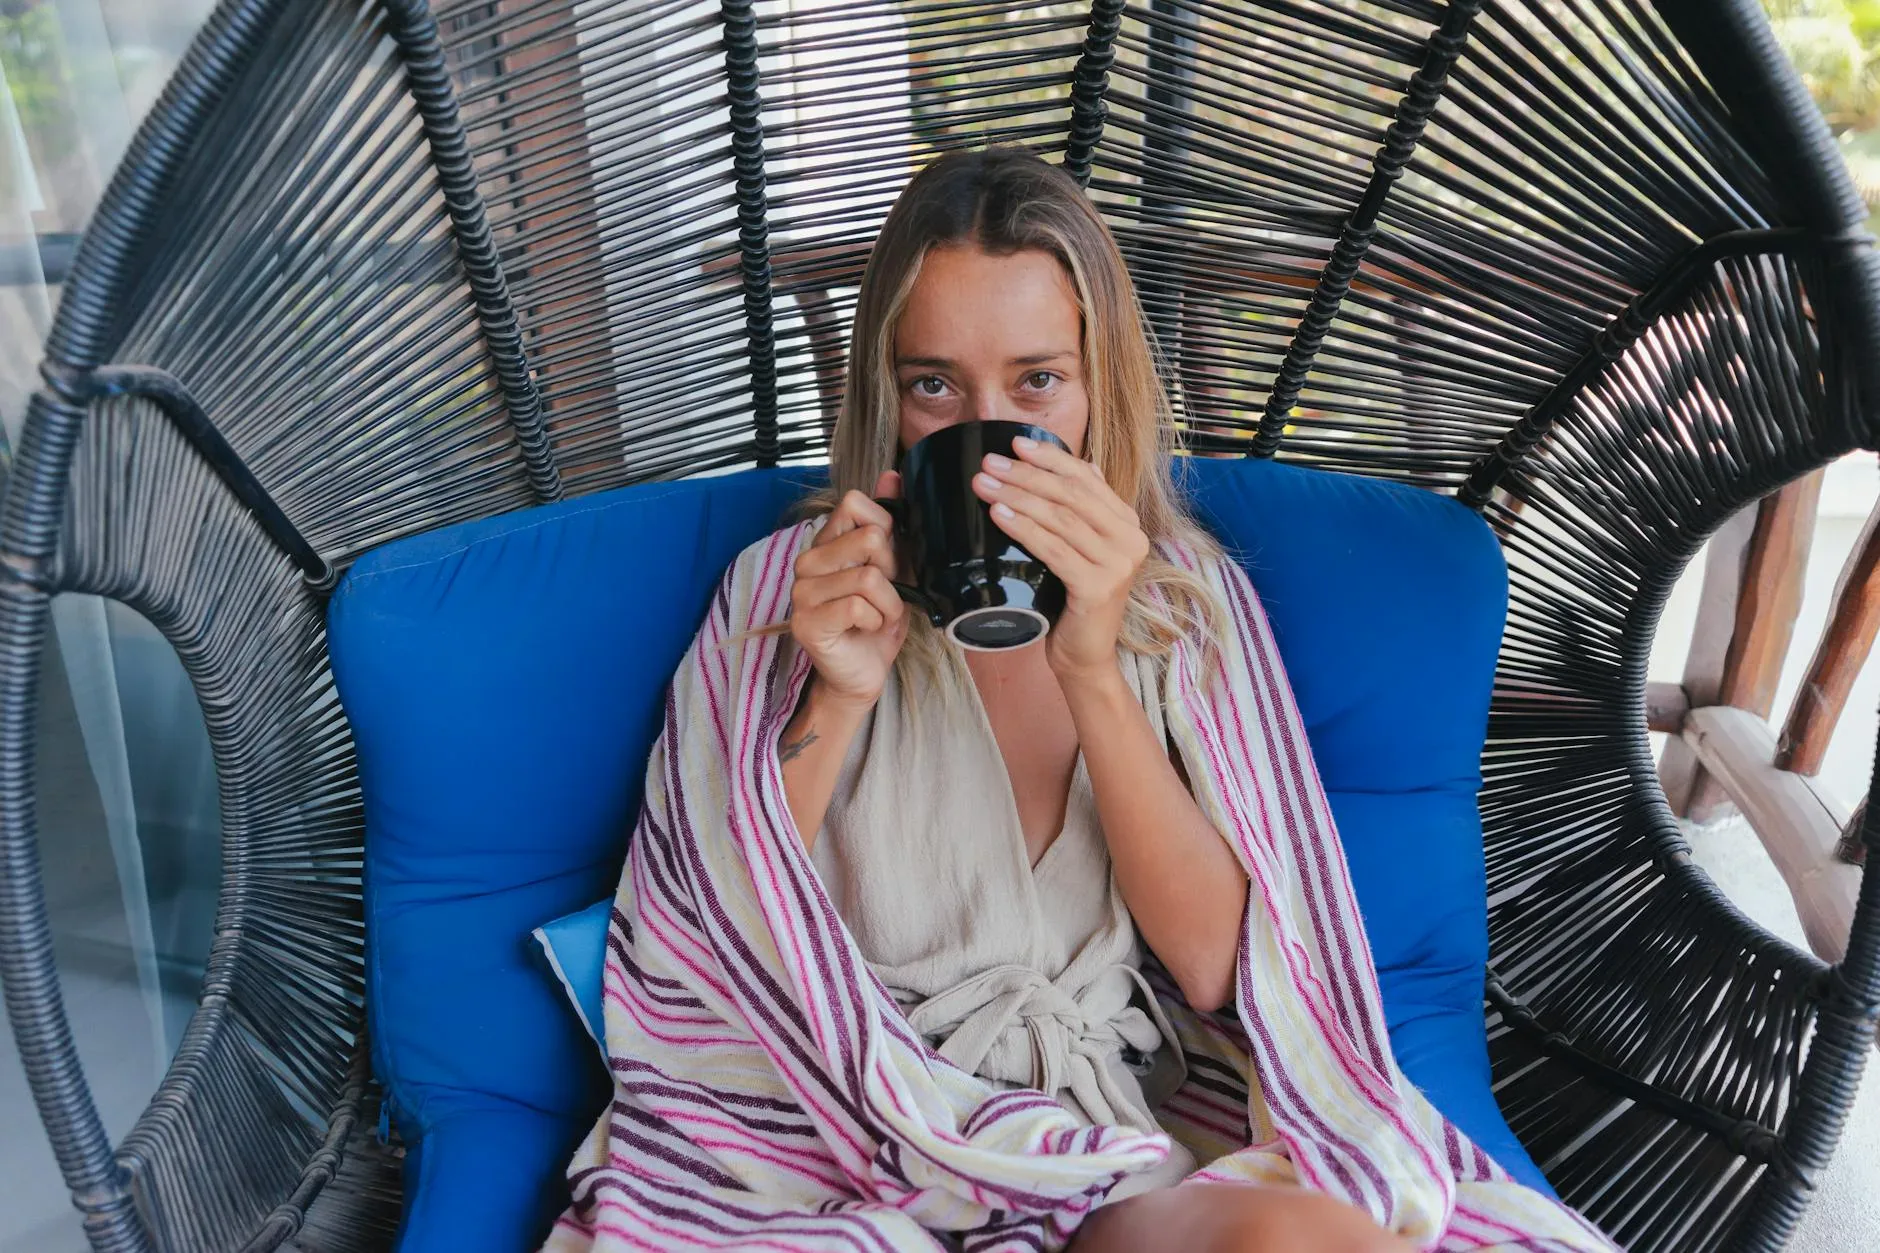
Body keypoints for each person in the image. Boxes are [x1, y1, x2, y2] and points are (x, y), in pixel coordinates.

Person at [770, 146, 1410, 1253]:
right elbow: (714, 923)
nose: (986, 435)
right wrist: (839, 684)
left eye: (1035, 383)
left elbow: (1221, 968)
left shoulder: (1182, 603)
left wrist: (1092, 664)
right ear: (885, 393)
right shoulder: (799, 586)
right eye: (935, 385)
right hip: (839, 1117)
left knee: (1312, 1236)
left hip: (1091, 1144)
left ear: (1096, 382)